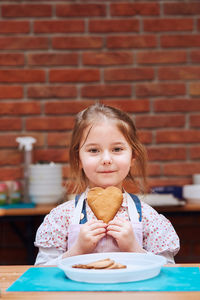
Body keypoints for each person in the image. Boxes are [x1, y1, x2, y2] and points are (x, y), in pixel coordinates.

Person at [34, 103, 179, 265]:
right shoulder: (61, 218)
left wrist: (134, 249)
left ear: (132, 157)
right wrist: (77, 250)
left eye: (117, 149)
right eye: (94, 150)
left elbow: (168, 271)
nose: (106, 159)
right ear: (78, 159)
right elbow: (41, 271)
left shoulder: (148, 218)